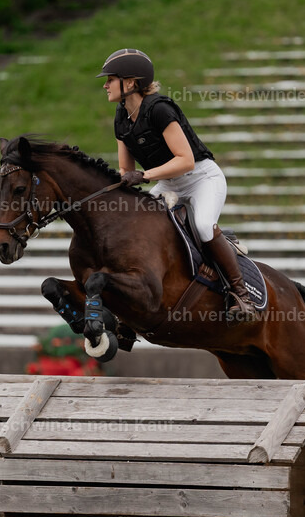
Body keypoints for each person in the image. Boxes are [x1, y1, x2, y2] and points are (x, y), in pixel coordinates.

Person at [97, 48, 256, 320]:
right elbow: (127, 169)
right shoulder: (121, 116)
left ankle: (241, 295)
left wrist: (145, 177)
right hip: (169, 185)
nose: (105, 84)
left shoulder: (159, 109)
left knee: (204, 226)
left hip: (201, 179)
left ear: (131, 82)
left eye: (110, 79)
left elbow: (186, 161)